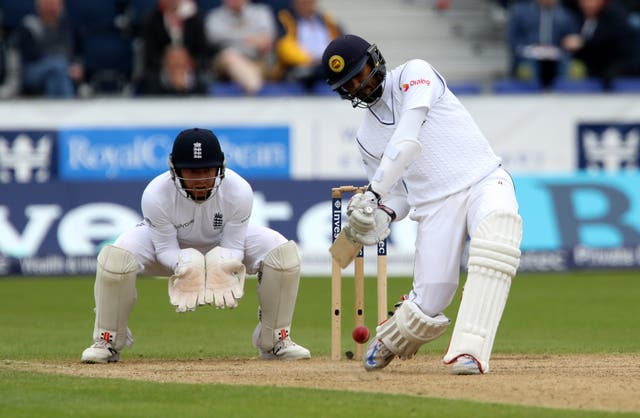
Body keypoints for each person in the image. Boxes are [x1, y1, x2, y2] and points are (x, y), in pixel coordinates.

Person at [321, 35, 522, 375]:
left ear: (375, 60)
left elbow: (407, 138)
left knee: (497, 234)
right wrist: (382, 211)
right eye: (349, 83)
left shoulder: (415, 74)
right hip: (434, 208)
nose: (359, 84)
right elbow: (400, 194)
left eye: (360, 72)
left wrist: (372, 194)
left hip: (483, 179)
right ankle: (393, 336)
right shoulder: (366, 138)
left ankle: (469, 352)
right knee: (430, 300)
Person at [81, 128, 311, 363]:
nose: (200, 180)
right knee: (116, 258)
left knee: (281, 253)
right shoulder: (155, 194)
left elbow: (234, 244)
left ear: (220, 168)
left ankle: (275, 340)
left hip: (220, 243)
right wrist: (183, 262)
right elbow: (164, 249)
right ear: (175, 170)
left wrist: (223, 262)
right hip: (171, 250)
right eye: (192, 171)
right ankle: (106, 340)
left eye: (207, 170)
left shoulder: (239, 190)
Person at [11, 0, 83, 97]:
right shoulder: (29, 26)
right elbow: (31, 55)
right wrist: (63, 65)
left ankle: (56, 108)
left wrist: (76, 66)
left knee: (54, 77)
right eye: (47, 4)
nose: (51, 8)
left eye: (54, 4)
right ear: (39, 7)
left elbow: (76, 52)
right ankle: (68, 103)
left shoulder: (69, 26)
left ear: (61, 6)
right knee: (58, 65)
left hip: (61, 71)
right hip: (33, 70)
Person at [562, 0, 640, 89]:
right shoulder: (577, 17)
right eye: (584, 1)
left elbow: (608, 44)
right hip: (591, 67)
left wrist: (583, 43)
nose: (588, 4)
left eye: (591, 1)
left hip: (617, 66)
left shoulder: (614, 17)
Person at [204, 0, 276, 95]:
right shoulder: (214, 16)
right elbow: (213, 37)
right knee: (230, 55)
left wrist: (231, 36)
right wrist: (249, 39)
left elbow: (267, 40)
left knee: (250, 68)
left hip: (258, 61)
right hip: (223, 63)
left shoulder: (261, 12)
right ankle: (256, 91)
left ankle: (251, 88)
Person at [506, 0, 579, 87]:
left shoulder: (566, 14)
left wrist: (569, 43)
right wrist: (527, 50)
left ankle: (564, 93)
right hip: (528, 55)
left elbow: (573, 37)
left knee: (566, 63)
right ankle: (531, 93)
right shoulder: (520, 12)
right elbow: (512, 38)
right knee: (529, 65)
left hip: (557, 54)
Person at [272, 0, 342, 90]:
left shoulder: (326, 20)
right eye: (303, 2)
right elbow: (284, 47)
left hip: (326, 65)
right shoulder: (285, 18)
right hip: (300, 67)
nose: (307, 5)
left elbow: (340, 42)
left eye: (310, 2)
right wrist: (309, 59)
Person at [140, 44, 208, 95]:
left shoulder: (199, 81)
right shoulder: (151, 81)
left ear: (188, 62)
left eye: (181, 59)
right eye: (173, 59)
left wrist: (183, 89)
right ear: (165, 62)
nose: (177, 62)